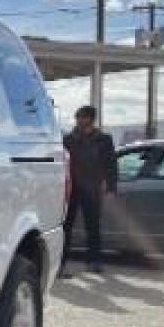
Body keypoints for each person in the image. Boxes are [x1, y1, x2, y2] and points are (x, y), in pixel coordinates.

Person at [61, 105, 117, 275]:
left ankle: (94, 262)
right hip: (71, 189)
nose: (78, 120)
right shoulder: (68, 139)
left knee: (93, 226)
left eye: (82, 117)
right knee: (65, 226)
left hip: (92, 188)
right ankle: (61, 264)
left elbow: (111, 164)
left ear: (91, 119)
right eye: (77, 117)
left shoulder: (104, 139)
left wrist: (112, 187)